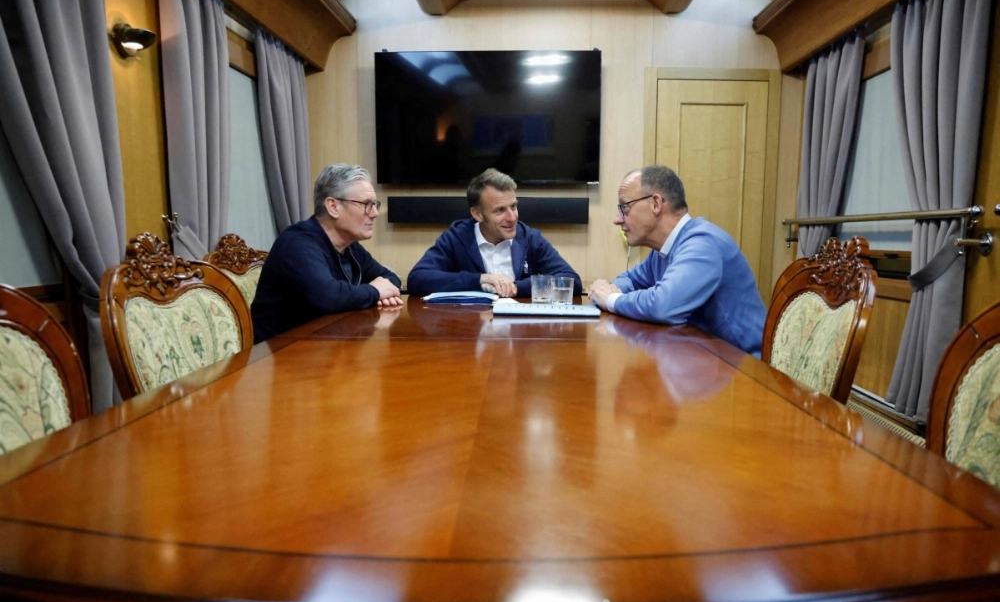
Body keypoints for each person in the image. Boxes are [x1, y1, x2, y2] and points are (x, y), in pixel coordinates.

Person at [588, 166, 766, 357]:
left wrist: (611, 299)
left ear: (656, 204)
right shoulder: (663, 250)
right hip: (703, 362)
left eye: (625, 207)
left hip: (747, 371)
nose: (617, 219)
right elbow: (631, 279)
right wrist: (611, 290)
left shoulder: (702, 243)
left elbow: (663, 305)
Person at [251, 164, 402, 343]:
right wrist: (375, 292)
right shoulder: (297, 244)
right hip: (281, 355)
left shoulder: (350, 246)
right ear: (333, 206)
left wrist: (381, 290)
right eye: (366, 205)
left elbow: (390, 278)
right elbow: (328, 296)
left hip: (326, 348)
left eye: (375, 205)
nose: (375, 213)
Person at [406, 168, 581, 298]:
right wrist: (480, 279)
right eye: (500, 210)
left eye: (513, 206)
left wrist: (517, 287)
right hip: (469, 333)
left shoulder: (530, 238)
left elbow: (572, 282)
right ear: (477, 214)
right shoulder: (456, 238)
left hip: (520, 334)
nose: (512, 217)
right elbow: (418, 279)